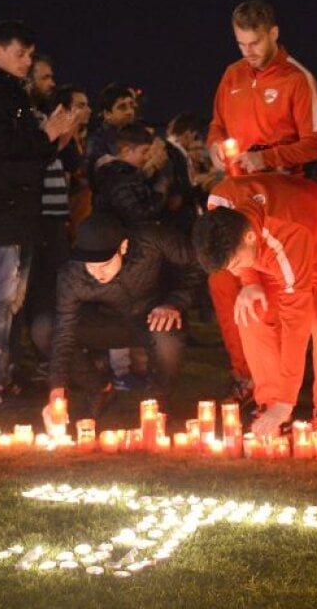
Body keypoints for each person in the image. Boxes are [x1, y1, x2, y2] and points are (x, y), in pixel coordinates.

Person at [204, 0, 317, 408]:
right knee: (227, 285)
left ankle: (290, 390)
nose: (248, 52)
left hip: (280, 203)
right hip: (237, 200)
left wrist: (268, 158)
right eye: (241, 44)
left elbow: (316, 143)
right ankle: (248, 377)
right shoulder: (231, 76)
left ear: (274, 33)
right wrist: (217, 149)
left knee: (279, 294)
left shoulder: (297, 78)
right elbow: (216, 126)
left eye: (255, 43)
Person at [193, 173, 317, 435]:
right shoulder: (220, 204)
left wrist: (287, 401)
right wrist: (249, 280)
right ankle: (269, 403)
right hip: (273, 260)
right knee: (252, 311)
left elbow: (296, 325)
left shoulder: (286, 231)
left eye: (237, 264)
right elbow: (243, 257)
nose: (235, 270)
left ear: (250, 238)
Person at [0, 20, 68, 407]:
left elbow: (29, 153)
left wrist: (52, 140)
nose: (27, 61)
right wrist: (44, 136)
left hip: (21, 213)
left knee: (13, 300)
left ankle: (4, 375)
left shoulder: (15, 93)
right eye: (20, 54)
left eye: (29, 55)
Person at [46, 213, 201, 416]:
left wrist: (175, 302)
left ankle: (157, 404)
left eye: (104, 265)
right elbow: (64, 329)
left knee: (167, 338)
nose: (98, 274)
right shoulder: (73, 275)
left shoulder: (150, 241)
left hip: (153, 316)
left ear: (123, 247)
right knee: (45, 329)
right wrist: (56, 390)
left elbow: (197, 262)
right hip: (110, 322)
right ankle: (99, 389)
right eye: (90, 267)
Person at [25, 75, 87, 378]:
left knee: (58, 288)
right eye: (73, 108)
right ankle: (42, 356)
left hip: (59, 220)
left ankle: (57, 353)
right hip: (39, 220)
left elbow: (74, 165)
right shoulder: (36, 130)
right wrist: (56, 136)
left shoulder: (66, 140)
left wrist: (67, 137)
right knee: (41, 290)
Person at [92, 124, 165, 227]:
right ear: (126, 151)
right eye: (144, 151)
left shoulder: (132, 174)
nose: (148, 157)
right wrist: (159, 192)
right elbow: (136, 214)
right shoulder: (114, 175)